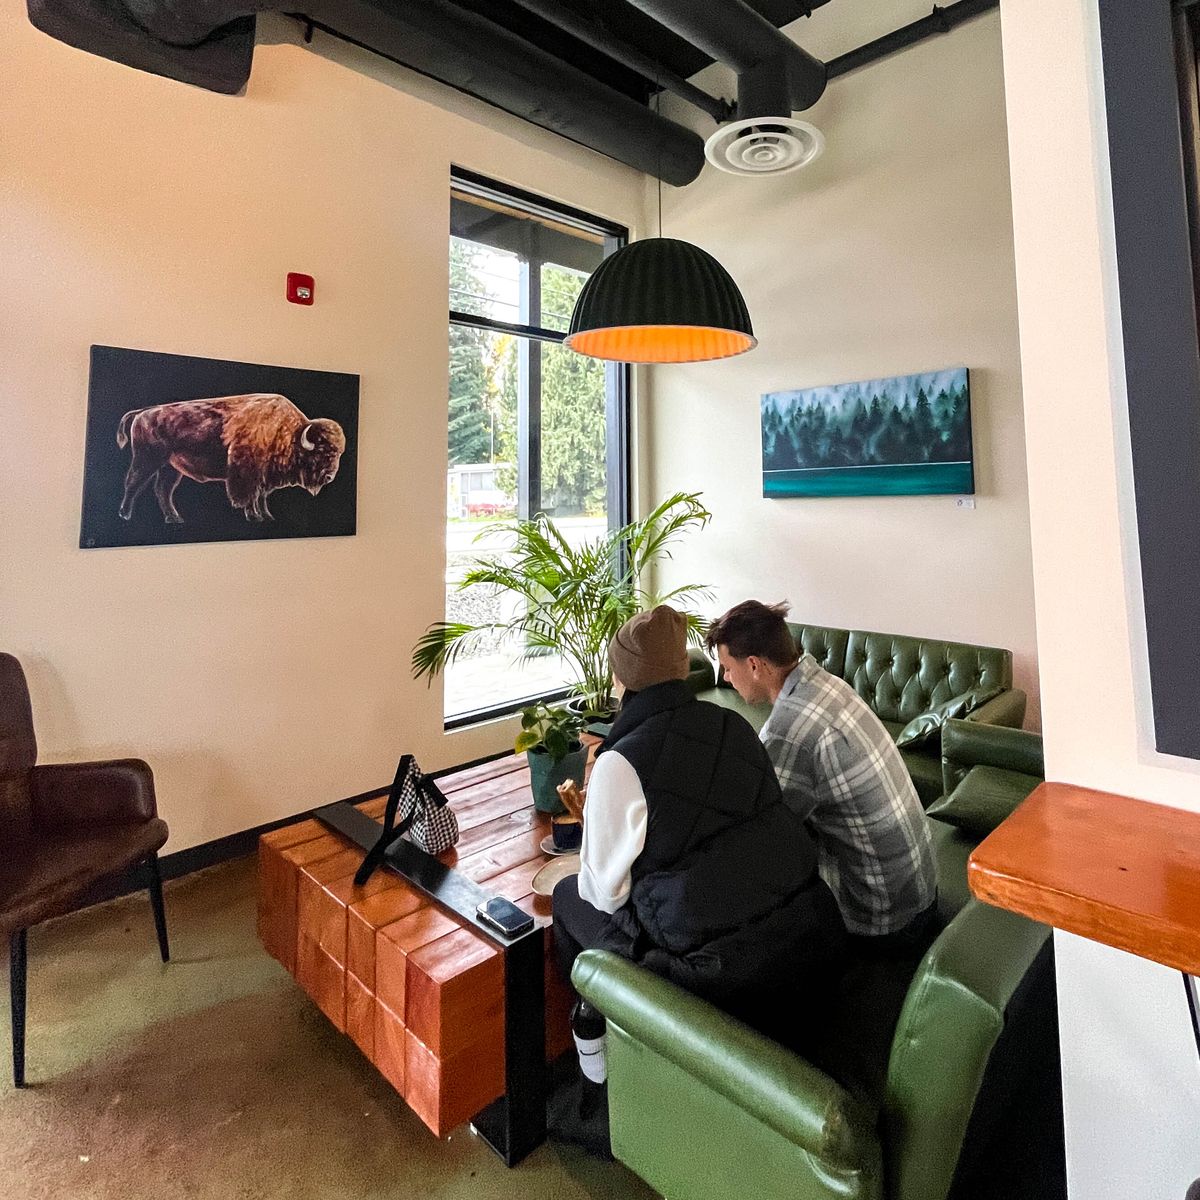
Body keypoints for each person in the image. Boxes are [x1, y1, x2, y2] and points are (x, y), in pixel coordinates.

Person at [550, 604, 844, 1150]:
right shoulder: (732, 721)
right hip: (804, 932)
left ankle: (597, 1067)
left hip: (713, 971)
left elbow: (603, 892)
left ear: (623, 680)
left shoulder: (621, 761)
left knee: (569, 899)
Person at [705, 600, 937, 957]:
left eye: (727, 668)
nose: (725, 679)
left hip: (885, 918)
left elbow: (761, 834)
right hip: (921, 889)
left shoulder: (788, 730)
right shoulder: (828, 684)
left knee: (747, 875)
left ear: (754, 665)